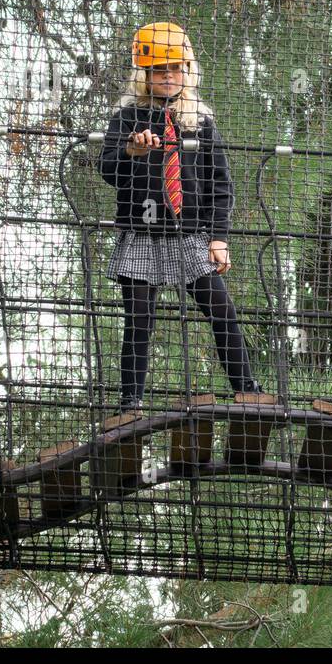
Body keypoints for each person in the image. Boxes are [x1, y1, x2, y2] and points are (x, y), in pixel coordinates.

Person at [96, 21, 261, 412]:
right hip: (141, 233)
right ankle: (130, 401)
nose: (169, 77)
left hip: (191, 236)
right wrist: (130, 154)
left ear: (187, 71)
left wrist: (218, 238)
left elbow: (221, 184)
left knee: (222, 310)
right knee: (138, 320)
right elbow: (106, 170)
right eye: (159, 70)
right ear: (144, 74)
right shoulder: (127, 118)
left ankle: (249, 389)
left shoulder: (201, 122)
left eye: (176, 69)